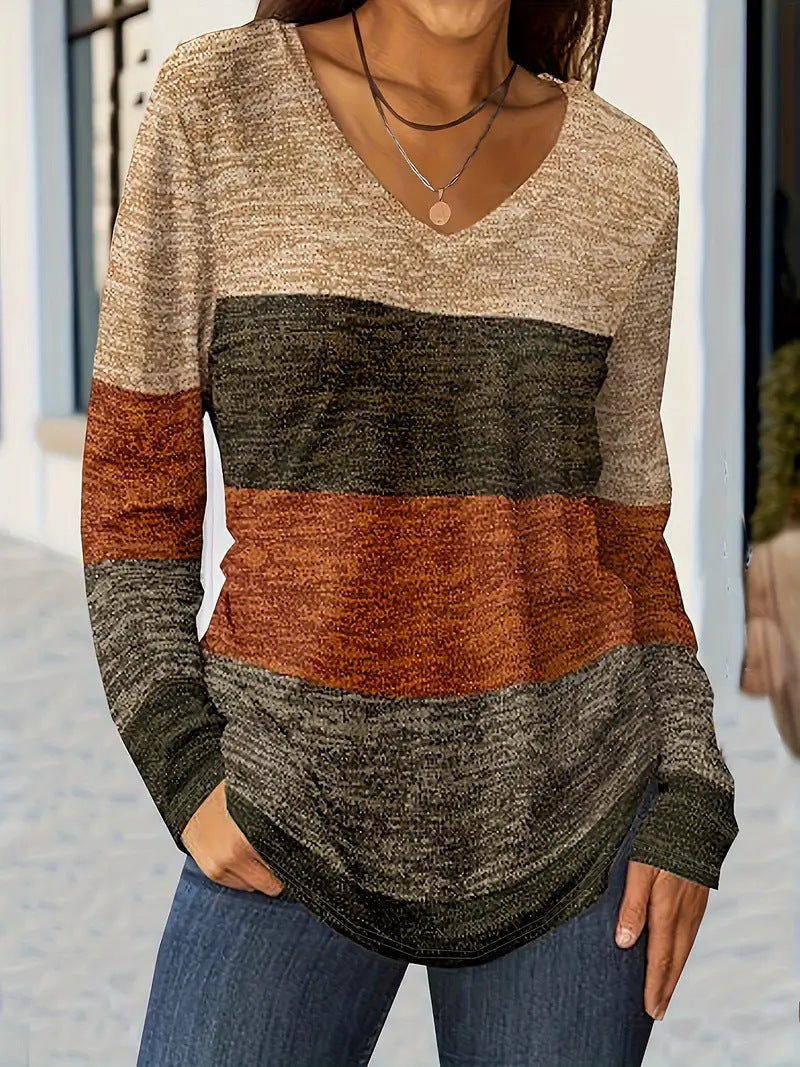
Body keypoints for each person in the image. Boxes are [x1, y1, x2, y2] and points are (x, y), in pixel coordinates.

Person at [79, 1, 739, 1063]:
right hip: (286, 802)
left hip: (575, 816)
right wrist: (182, 764)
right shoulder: (219, 107)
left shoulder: (626, 177)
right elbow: (133, 487)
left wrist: (693, 784)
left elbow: (624, 537)